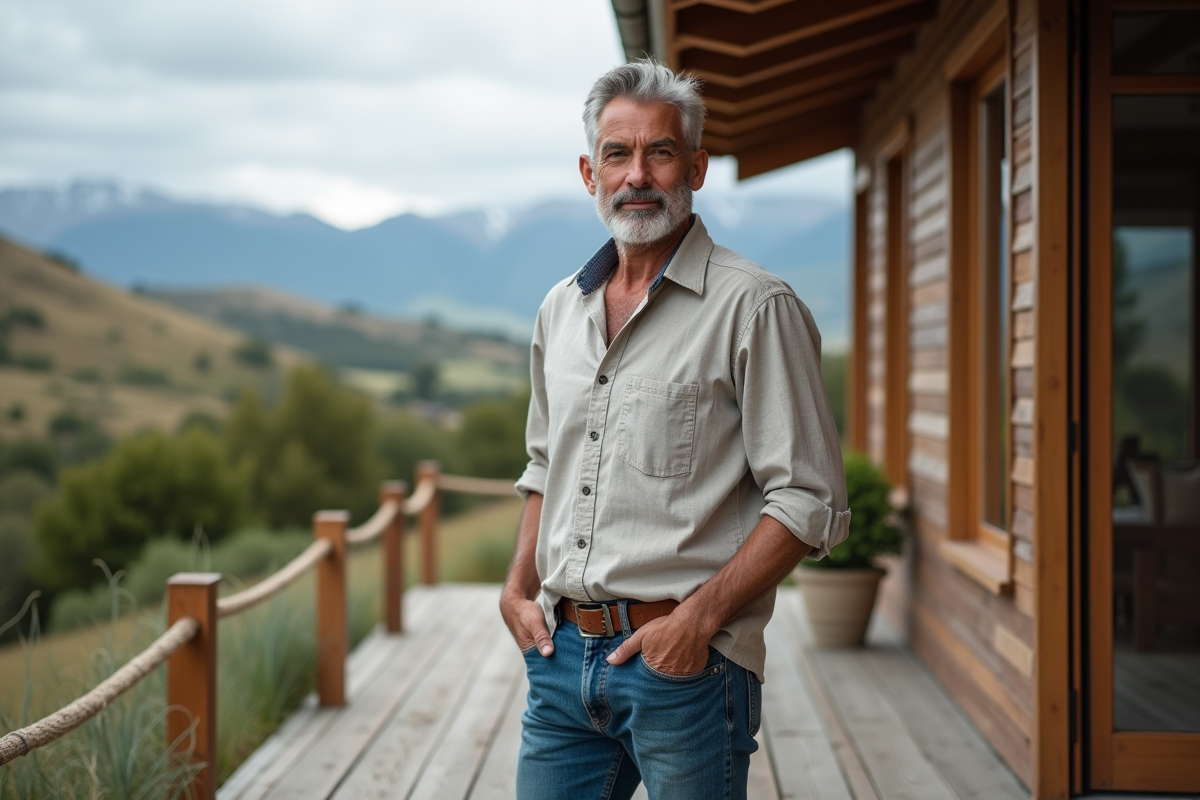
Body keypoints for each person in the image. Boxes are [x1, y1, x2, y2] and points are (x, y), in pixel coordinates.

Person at [501, 58, 850, 800]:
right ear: (589, 172)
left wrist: (700, 621)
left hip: (686, 669)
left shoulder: (756, 308)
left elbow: (809, 501)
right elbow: (543, 467)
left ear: (694, 165)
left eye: (658, 152)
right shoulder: (558, 310)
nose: (637, 175)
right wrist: (516, 589)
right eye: (617, 155)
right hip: (561, 663)